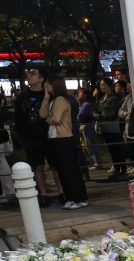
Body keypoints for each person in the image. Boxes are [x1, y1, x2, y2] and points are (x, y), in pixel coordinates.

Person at [15, 68, 63, 206]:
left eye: (33, 74)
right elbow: (18, 118)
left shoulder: (50, 95)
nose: (29, 76)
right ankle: (43, 194)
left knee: (55, 166)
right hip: (30, 138)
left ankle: (61, 192)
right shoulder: (22, 97)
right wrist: (22, 135)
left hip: (49, 136)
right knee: (37, 167)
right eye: (28, 73)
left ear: (41, 79)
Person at [40, 75, 88, 210]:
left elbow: (55, 119)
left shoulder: (60, 99)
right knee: (62, 171)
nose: (45, 86)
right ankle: (71, 198)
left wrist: (47, 119)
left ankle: (79, 198)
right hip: (56, 138)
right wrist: (46, 98)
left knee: (70, 170)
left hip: (64, 138)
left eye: (48, 83)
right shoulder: (53, 99)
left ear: (54, 85)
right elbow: (42, 114)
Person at [95, 78, 128, 181]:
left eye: (103, 85)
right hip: (105, 127)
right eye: (101, 85)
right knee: (112, 151)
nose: (101, 87)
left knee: (116, 150)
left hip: (112, 128)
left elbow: (113, 114)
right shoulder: (103, 98)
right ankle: (117, 170)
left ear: (109, 86)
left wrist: (100, 116)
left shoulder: (113, 98)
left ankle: (122, 171)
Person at [77, 86, 104, 169]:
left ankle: (97, 163)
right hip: (86, 125)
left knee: (91, 144)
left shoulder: (86, 105)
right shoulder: (84, 104)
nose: (78, 94)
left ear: (85, 95)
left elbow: (79, 116)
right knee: (89, 145)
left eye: (80, 92)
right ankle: (95, 162)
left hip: (87, 125)